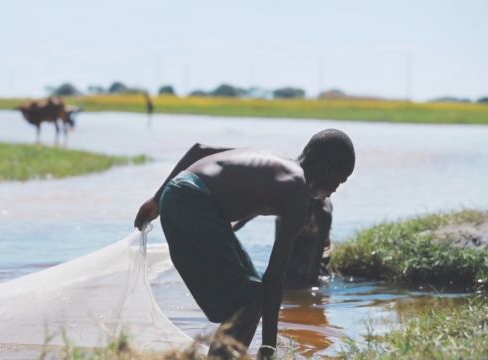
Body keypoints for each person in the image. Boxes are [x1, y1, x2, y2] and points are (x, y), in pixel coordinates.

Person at [133, 129, 355, 359]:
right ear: (328, 169)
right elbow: (274, 277)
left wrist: (157, 199)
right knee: (248, 299)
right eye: (340, 180)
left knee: (252, 294)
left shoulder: (274, 159)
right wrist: (269, 346)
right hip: (193, 201)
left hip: (184, 193)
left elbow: (199, 150)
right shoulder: (297, 191)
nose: (336, 189)